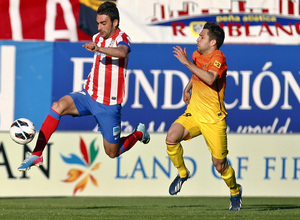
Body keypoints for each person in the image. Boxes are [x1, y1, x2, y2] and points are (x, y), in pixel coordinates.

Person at [18, 1, 150, 171]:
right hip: (88, 95)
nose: (100, 27)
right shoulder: (97, 38)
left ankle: (139, 133)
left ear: (115, 22)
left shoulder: (122, 38)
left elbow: (122, 52)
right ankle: (37, 154)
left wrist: (99, 48)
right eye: (98, 23)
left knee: (112, 152)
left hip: (108, 105)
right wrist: (98, 46)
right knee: (58, 106)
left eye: (104, 23)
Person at [166, 22, 242, 211]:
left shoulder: (219, 57)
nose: (197, 39)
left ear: (213, 42)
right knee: (171, 137)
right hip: (194, 112)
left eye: (202, 37)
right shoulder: (196, 55)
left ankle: (235, 190)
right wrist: (187, 88)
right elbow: (196, 75)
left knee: (220, 165)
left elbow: (210, 78)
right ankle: (183, 173)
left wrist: (186, 63)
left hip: (214, 119)